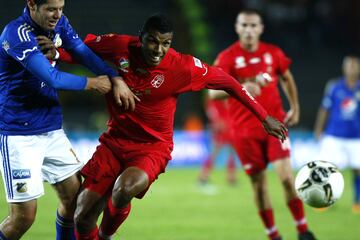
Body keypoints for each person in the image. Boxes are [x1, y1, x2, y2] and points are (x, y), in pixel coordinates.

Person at [45, 13, 287, 239]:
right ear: (141, 36)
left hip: (152, 148)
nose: (158, 50)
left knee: (124, 188)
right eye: (152, 41)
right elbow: (79, 52)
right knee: (82, 217)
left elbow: (229, 83)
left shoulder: (182, 67)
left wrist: (264, 117)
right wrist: (55, 54)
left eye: (165, 43)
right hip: (114, 142)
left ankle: (106, 236)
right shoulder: (119, 46)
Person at [0, 0, 137, 239]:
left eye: (61, 8)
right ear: (32, 4)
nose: (58, 14)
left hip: (52, 129)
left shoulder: (59, 24)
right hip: (18, 135)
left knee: (74, 202)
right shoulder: (16, 33)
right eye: (51, 9)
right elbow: (52, 77)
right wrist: (92, 83)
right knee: (24, 217)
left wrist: (115, 76)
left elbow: (82, 51)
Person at [210, 9, 316, 240]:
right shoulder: (227, 57)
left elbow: (287, 77)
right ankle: (273, 234)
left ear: (261, 28)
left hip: (275, 126)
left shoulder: (273, 53)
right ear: (237, 28)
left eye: (253, 25)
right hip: (244, 130)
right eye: (244, 26)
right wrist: (242, 87)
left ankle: (303, 230)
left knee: (287, 178)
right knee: (259, 185)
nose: (249, 30)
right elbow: (213, 94)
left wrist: (295, 107)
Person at [314, 55, 360, 214]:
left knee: (358, 169)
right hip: (334, 135)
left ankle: (358, 202)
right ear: (344, 68)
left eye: (354, 66)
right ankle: (326, 200)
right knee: (327, 168)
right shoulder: (334, 86)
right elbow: (324, 108)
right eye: (349, 66)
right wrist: (319, 129)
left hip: (356, 137)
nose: (351, 69)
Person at [198, 95, 238, 187]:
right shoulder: (214, 98)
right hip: (221, 128)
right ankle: (203, 176)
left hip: (231, 127)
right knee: (214, 152)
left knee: (232, 152)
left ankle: (231, 177)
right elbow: (211, 110)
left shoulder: (231, 98)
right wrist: (216, 122)